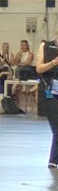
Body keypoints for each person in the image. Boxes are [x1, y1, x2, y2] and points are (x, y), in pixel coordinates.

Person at [37, 38, 58, 168]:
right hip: (49, 91)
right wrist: (54, 62)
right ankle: (53, 159)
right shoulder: (45, 46)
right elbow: (39, 69)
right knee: (56, 126)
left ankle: (53, 160)